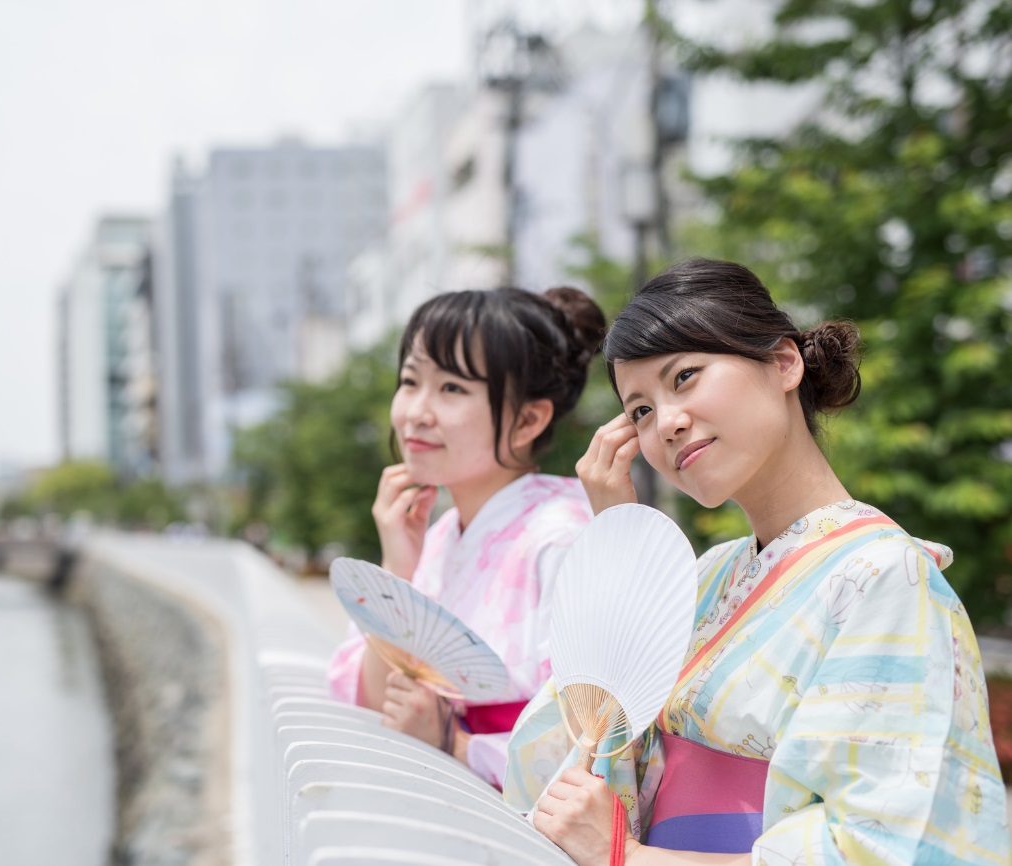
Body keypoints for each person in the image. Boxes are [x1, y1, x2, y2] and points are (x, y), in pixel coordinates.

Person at [505, 258, 1009, 865]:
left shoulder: (888, 576)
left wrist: (630, 858)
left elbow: (881, 846)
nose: (666, 422)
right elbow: (586, 736)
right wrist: (619, 541)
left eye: (685, 377)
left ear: (783, 363)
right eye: (639, 410)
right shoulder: (711, 573)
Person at [326, 285, 606, 787]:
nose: (416, 411)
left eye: (451, 388)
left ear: (527, 419)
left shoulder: (563, 537)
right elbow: (372, 700)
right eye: (411, 381)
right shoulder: (437, 537)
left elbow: (595, 742)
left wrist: (455, 744)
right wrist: (398, 570)